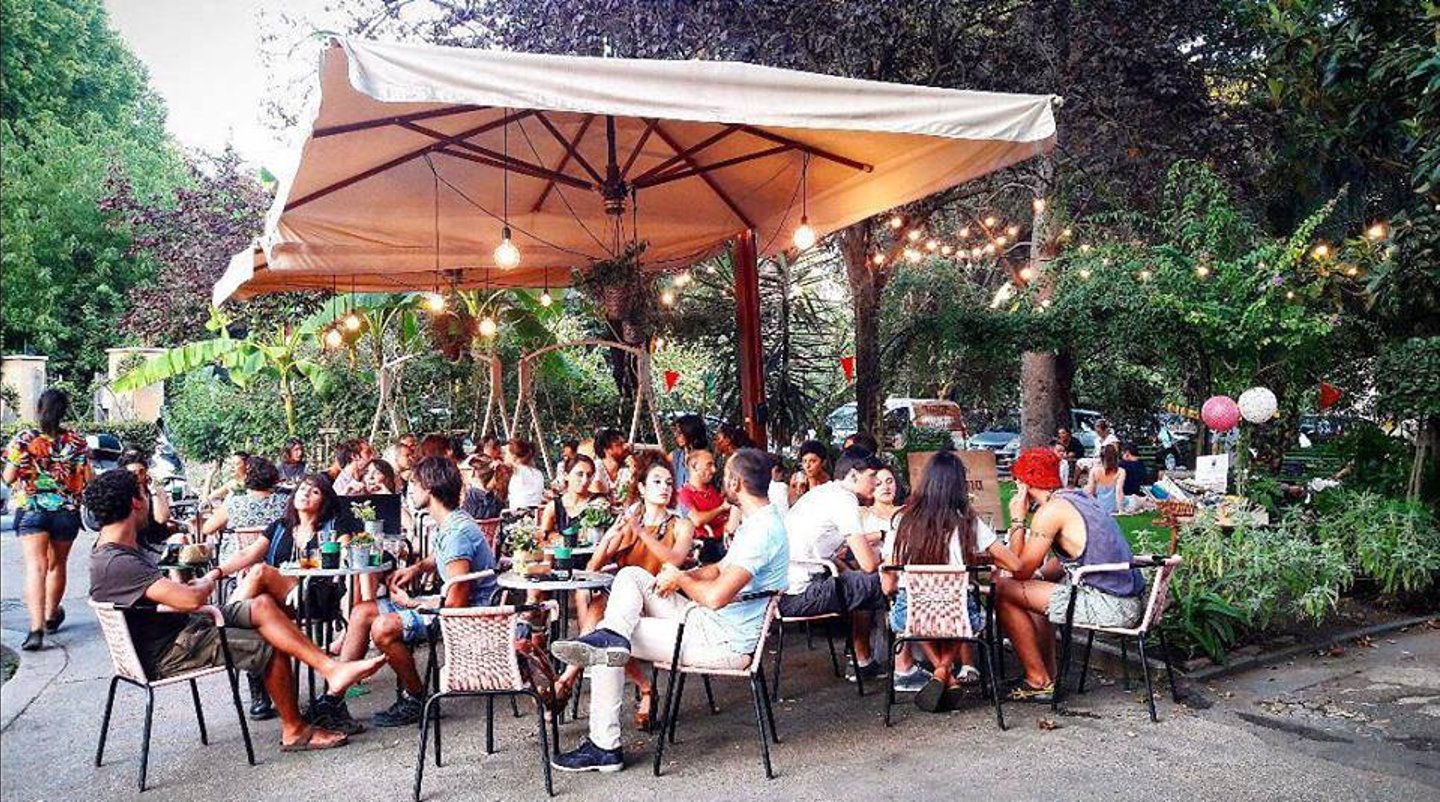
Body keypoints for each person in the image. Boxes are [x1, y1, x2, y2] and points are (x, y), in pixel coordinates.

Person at [85, 469, 385, 752]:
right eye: (147, 495)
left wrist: (201, 582)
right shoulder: (119, 561)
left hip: (182, 628)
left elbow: (175, 598)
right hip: (171, 648)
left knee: (264, 605)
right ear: (136, 502)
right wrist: (203, 584)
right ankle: (295, 730)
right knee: (269, 640)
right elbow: (190, 600)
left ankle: (332, 669)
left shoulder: (118, 552)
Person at [549, 448, 788, 773]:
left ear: (735, 482)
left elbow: (716, 596)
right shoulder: (759, 521)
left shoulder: (762, 532)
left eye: (724, 474)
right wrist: (682, 578)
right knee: (631, 577)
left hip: (722, 641)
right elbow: (719, 569)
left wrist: (679, 579)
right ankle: (611, 637)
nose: (718, 478)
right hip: (708, 623)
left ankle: (605, 746)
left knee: (606, 641)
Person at [326, 456, 499, 728]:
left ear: (429, 488)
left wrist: (410, 603)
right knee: (362, 610)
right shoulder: (453, 521)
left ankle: (417, 699)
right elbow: (443, 557)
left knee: (383, 627)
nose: (410, 490)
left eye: (414, 484)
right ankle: (333, 700)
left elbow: (456, 605)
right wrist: (417, 568)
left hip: (466, 618)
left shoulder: (457, 533)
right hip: (451, 605)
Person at [993, 447, 1146, 702]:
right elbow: (1067, 561)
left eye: (1017, 482)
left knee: (1003, 590)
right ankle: (1048, 675)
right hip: (1132, 602)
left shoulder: (1051, 511)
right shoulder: (1079, 498)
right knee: (1031, 590)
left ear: (1025, 483)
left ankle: (1038, 679)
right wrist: (1040, 576)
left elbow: (1018, 570)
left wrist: (1017, 519)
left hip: (1111, 606)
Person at [882, 450, 1023, 706]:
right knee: (957, 613)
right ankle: (945, 670)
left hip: (912, 614)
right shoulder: (968, 523)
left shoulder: (901, 522)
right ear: (959, 487)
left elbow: (889, 578)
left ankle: (939, 671)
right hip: (959, 615)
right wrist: (985, 559)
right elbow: (1014, 563)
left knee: (917, 611)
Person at [210, 473, 351, 720]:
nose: (305, 494)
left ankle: (219, 622)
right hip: (280, 604)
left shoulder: (335, 527)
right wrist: (215, 574)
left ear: (325, 500)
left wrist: (305, 580)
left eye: (314, 491)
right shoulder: (280, 527)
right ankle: (260, 690)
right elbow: (247, 554)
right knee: (255, 610)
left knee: (260, 572)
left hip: (317, 598)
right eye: (302, 489)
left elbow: (344, 556)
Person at [780, 447, 887, 681]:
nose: (876, 484)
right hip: (800, 594)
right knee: (890, 581)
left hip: (786, 588)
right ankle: (904, 665)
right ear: (853, 475)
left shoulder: (822, 493)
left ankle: (863, 659)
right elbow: (868, 563)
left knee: (861, 582)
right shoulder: (844, 500)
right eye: (872, 477)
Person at [3, 389, 90, 651]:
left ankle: (36, 628)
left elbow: (8, 477)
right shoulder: (76, 441)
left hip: (32, 509)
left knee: (36, 567)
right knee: (57, 565)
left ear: (39, 408)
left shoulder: (23, 439)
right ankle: (52, 614)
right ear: (64, 411)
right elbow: (89, 478)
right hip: (66, 511)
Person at [202, 456, 289, 546]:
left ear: (246, 477)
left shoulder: (235, 503)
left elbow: (207, 529)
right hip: (275, 557)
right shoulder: (285, 502)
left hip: (237, 557)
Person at [677, 450, 729, 564]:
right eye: (709, 465)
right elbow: (697, 520)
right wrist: (721, 508)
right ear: (694, 467)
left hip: (724, 540)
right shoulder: (685, 493)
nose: (714, 470)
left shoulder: (710, 490)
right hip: (708, 547)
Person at [119, 450, 171, 551]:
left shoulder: (155, 490)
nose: (138, 476)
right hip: (138, 545)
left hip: (158, 538)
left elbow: (162, 518)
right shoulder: (124, 495)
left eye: (141, 472)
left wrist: (154, 492)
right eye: (132, 473)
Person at [540, 455, 596, 536]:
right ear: (566, 475)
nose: (585, 481)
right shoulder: (554, 507)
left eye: (589, 475)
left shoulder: (598, 503)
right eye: (580, 474)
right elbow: (543, 537)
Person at [866, 466, 903, 561]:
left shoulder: (908, 511)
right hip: (873, 569)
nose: (886, 487)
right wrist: (881, 535)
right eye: (878, 484)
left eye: (889, 481)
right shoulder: (862, 513)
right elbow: (847, 542)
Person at [669, 414, 709, 491]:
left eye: (680, 433)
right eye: (676, 433)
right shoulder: (676, 455)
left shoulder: (703, 457)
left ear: (690, 432)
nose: (676, 436)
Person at [1085, 443, 1126, 516]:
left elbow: (1090, 492)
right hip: (1114, 506)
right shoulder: (1121, 471)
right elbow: (1119, 491)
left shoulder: (1094, 471)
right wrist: (1121, 510)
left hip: (1100, 506)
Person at [506, 438, 547, 509]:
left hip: (517, 514)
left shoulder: (514, 473)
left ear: (513, 456)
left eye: (506, 453)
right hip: (536, 513)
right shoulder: (538, 473)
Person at [590, 428, 629, 498]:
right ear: (606, 449)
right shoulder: (594, 468)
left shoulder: (626, 468)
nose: (626, 447)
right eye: (619, 445)